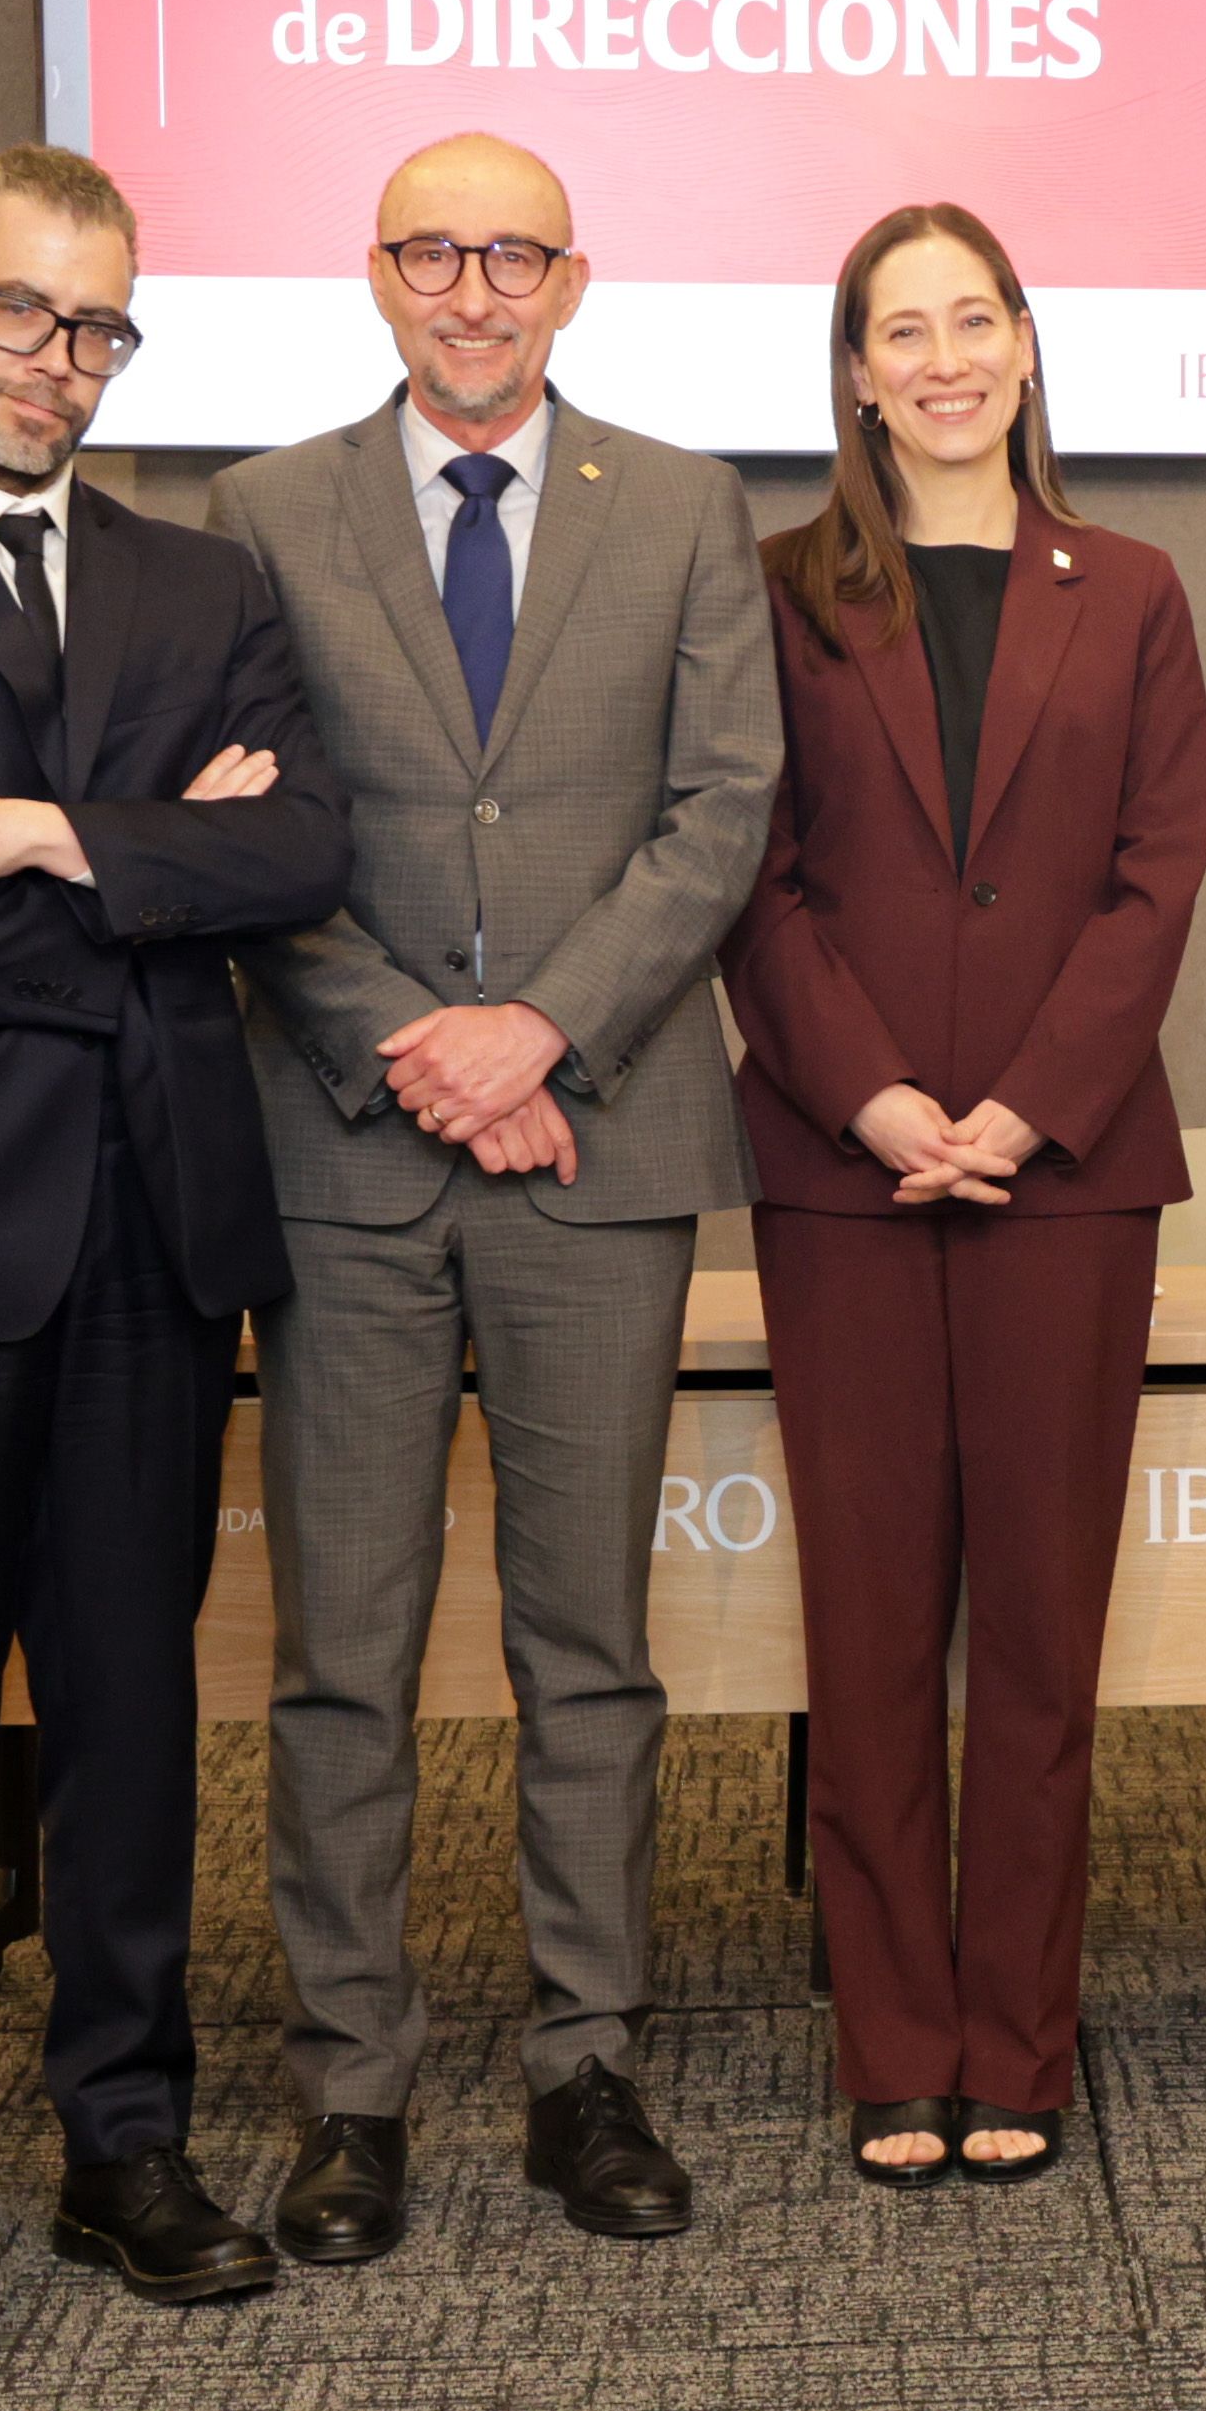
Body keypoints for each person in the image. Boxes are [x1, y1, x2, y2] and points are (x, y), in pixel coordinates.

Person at [0, 146, 352, 2353]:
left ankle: (126, 2134)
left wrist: (30, 836)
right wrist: (141, 873)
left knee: (130, 1717)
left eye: (99, 326)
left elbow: (298, 846)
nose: (60, 364)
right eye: (22, 313)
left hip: (150, 1232)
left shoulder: (193, 581)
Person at [207, 133, 782, 2256]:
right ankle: (349, 2089)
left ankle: (584, 2059)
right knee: (342, 1649)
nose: (474, 287)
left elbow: (722, 812)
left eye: (510, 252)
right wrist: (419, 1049)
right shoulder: (261, 511)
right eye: (434, 251)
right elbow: (243, 828)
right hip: (348, 1150)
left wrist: (539, 1030)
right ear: (373, 274)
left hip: (597, 1140)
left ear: (574, 277)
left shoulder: (685, 503)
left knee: (587, 1642)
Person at [722, 204, 1206, 2189]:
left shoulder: (1137, 584)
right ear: (852, 370)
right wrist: (871, 1096)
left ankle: (1015, 2036)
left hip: (1066, 1178)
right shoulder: (767, 587)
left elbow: (1159, 866)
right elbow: (747, 877)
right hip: (840, 1180)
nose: (940, 358)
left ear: (1024, 344)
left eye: (973, 319)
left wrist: (1018, 1107)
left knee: (1033, 1635)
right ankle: (893, 2039)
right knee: (862, 1636)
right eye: (898, 329)